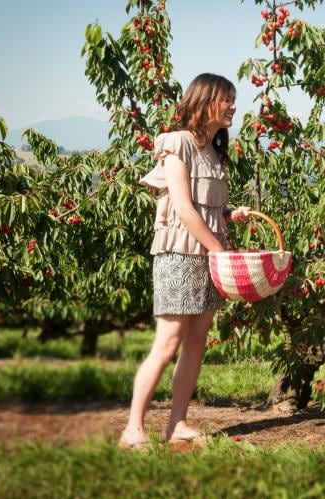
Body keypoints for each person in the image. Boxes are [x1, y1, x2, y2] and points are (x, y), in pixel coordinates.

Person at [119, 73, 250, 447]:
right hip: (179, 255)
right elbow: (182, 209)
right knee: (168, 341)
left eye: (233, 99)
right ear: (206, 100)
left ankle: (177, 424)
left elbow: (205, 212)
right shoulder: (177, 143)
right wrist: (221, 252)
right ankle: (133, 429)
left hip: (208, 255)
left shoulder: (214, 150)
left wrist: (227, 217)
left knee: (196, 342)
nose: (233, 107)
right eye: (227, 99)